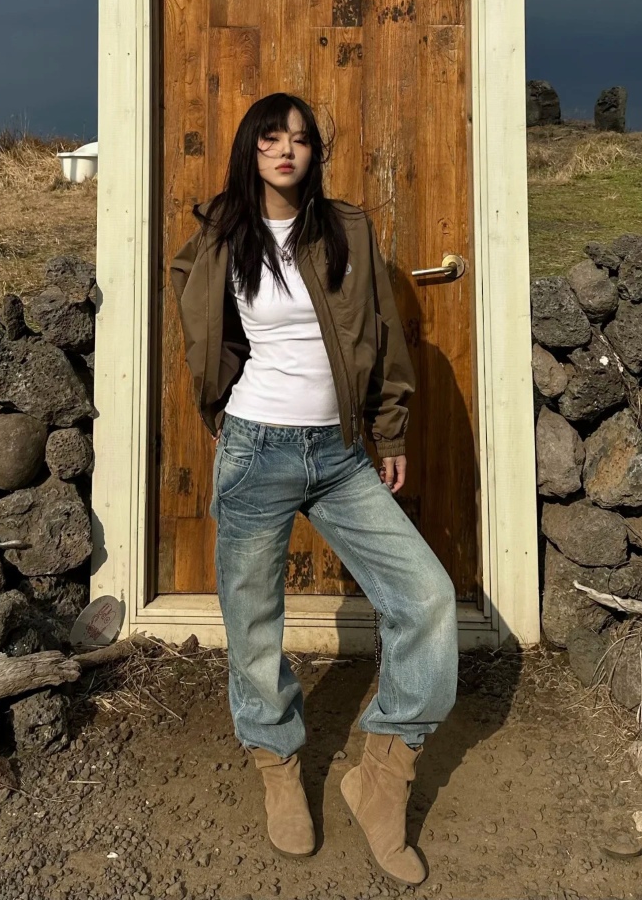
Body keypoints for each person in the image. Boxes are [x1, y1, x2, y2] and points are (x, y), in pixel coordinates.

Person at [169, 92, 458, 887]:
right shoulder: (223, 233)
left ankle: (382, 776)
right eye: (271, 138)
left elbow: (383, 333)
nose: (286, 150)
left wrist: (390, 431)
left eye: (299, 139)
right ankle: (277, 764)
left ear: (312, 154)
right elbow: (196, 310)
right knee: (254, 624)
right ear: (251, 149)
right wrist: (216, 400)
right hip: (255, 448)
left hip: (338, 454)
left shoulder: (347, 229)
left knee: (427, 598)